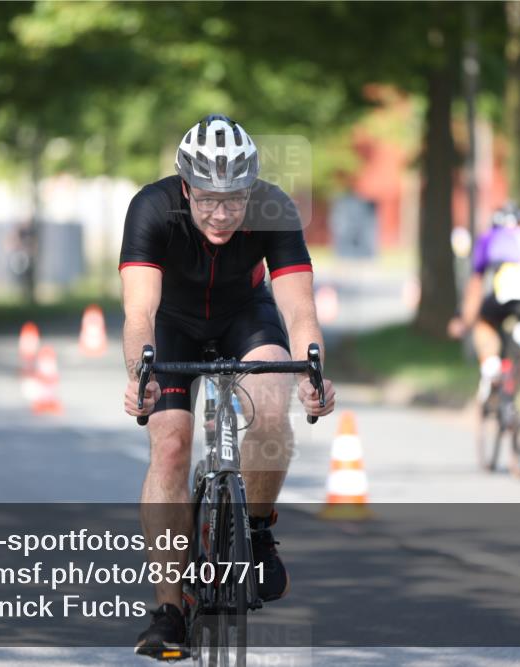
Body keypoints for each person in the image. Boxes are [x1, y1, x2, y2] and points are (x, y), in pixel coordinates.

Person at [120, 114, 336, 659]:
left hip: (245, 314)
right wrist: (139, 375)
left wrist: (311, 371)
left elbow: (300, 309)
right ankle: (169, 608)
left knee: (271, 401)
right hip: (173, 324)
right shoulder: (151, 207)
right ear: (186, 188)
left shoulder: (275, 208)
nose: (221, 214)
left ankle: (257, 529)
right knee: (170, 444)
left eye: (234, 200)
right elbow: (139, 311)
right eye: (209, 200)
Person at [448, 203, 520, 408]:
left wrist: (463, 319)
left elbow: (476, 283)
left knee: (484, 323)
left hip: (505, 299)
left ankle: (491, 363)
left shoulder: (490, 237)